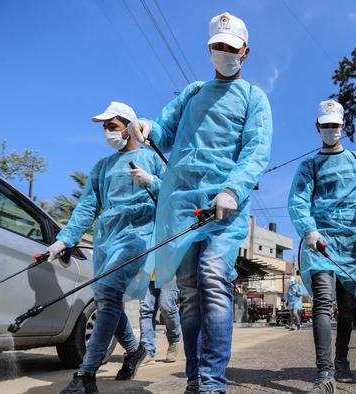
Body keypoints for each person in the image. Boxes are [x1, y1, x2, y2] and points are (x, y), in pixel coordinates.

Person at [127, 12, 272, 394]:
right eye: (217, 46)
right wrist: (146, 128)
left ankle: (212, 382)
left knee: (212, 275)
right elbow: (163, 128)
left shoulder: (255, 98)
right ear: (210, 49)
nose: (223, 52)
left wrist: (233, 189)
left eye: (230, 47)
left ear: (245, 52)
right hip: (183, 204)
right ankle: (194, 380)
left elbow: (256, 152)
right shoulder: (193, 92)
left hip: (225, 206)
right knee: (189, 292)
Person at [48, 102, 165, 394]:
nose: (107, 132)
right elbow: (88, 206)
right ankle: (135, 349)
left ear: (129, 126)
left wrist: (154, 182)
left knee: (110, 292)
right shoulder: (102, 167)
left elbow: (176, 195)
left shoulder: (152, 159)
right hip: (106, 239)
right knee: (105, 299)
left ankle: (86, 375)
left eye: (112, 125)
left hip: (138, 235)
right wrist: (66, 238)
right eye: (105, 127)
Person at [288, 99, 356, 393]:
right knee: (322, 301)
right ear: (318, 127)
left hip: (350, 239)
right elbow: (298, 201)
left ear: (342, 126)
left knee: (347, 307)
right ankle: (324, 372)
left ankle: (342, 360)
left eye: (335, 125)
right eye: (325, 125)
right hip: (320, 238)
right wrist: (308, 230)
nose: (330, 129)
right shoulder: (309, 166)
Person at [138, 272, 181, 365]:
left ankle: (174, 339)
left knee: (167, 308)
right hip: (147, 272)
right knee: (145, 311)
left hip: (169, 271)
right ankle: (147, 351)